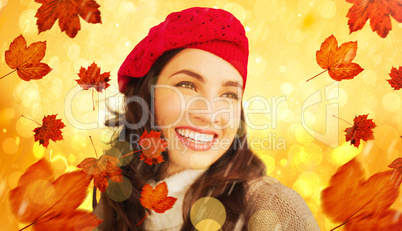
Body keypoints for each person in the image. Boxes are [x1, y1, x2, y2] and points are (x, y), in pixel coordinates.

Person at [93, 7, 320, 231]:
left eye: (229, 95)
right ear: (146, 93)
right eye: (187, 85)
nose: (209, 114)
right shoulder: (115, 200)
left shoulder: (272, 206)